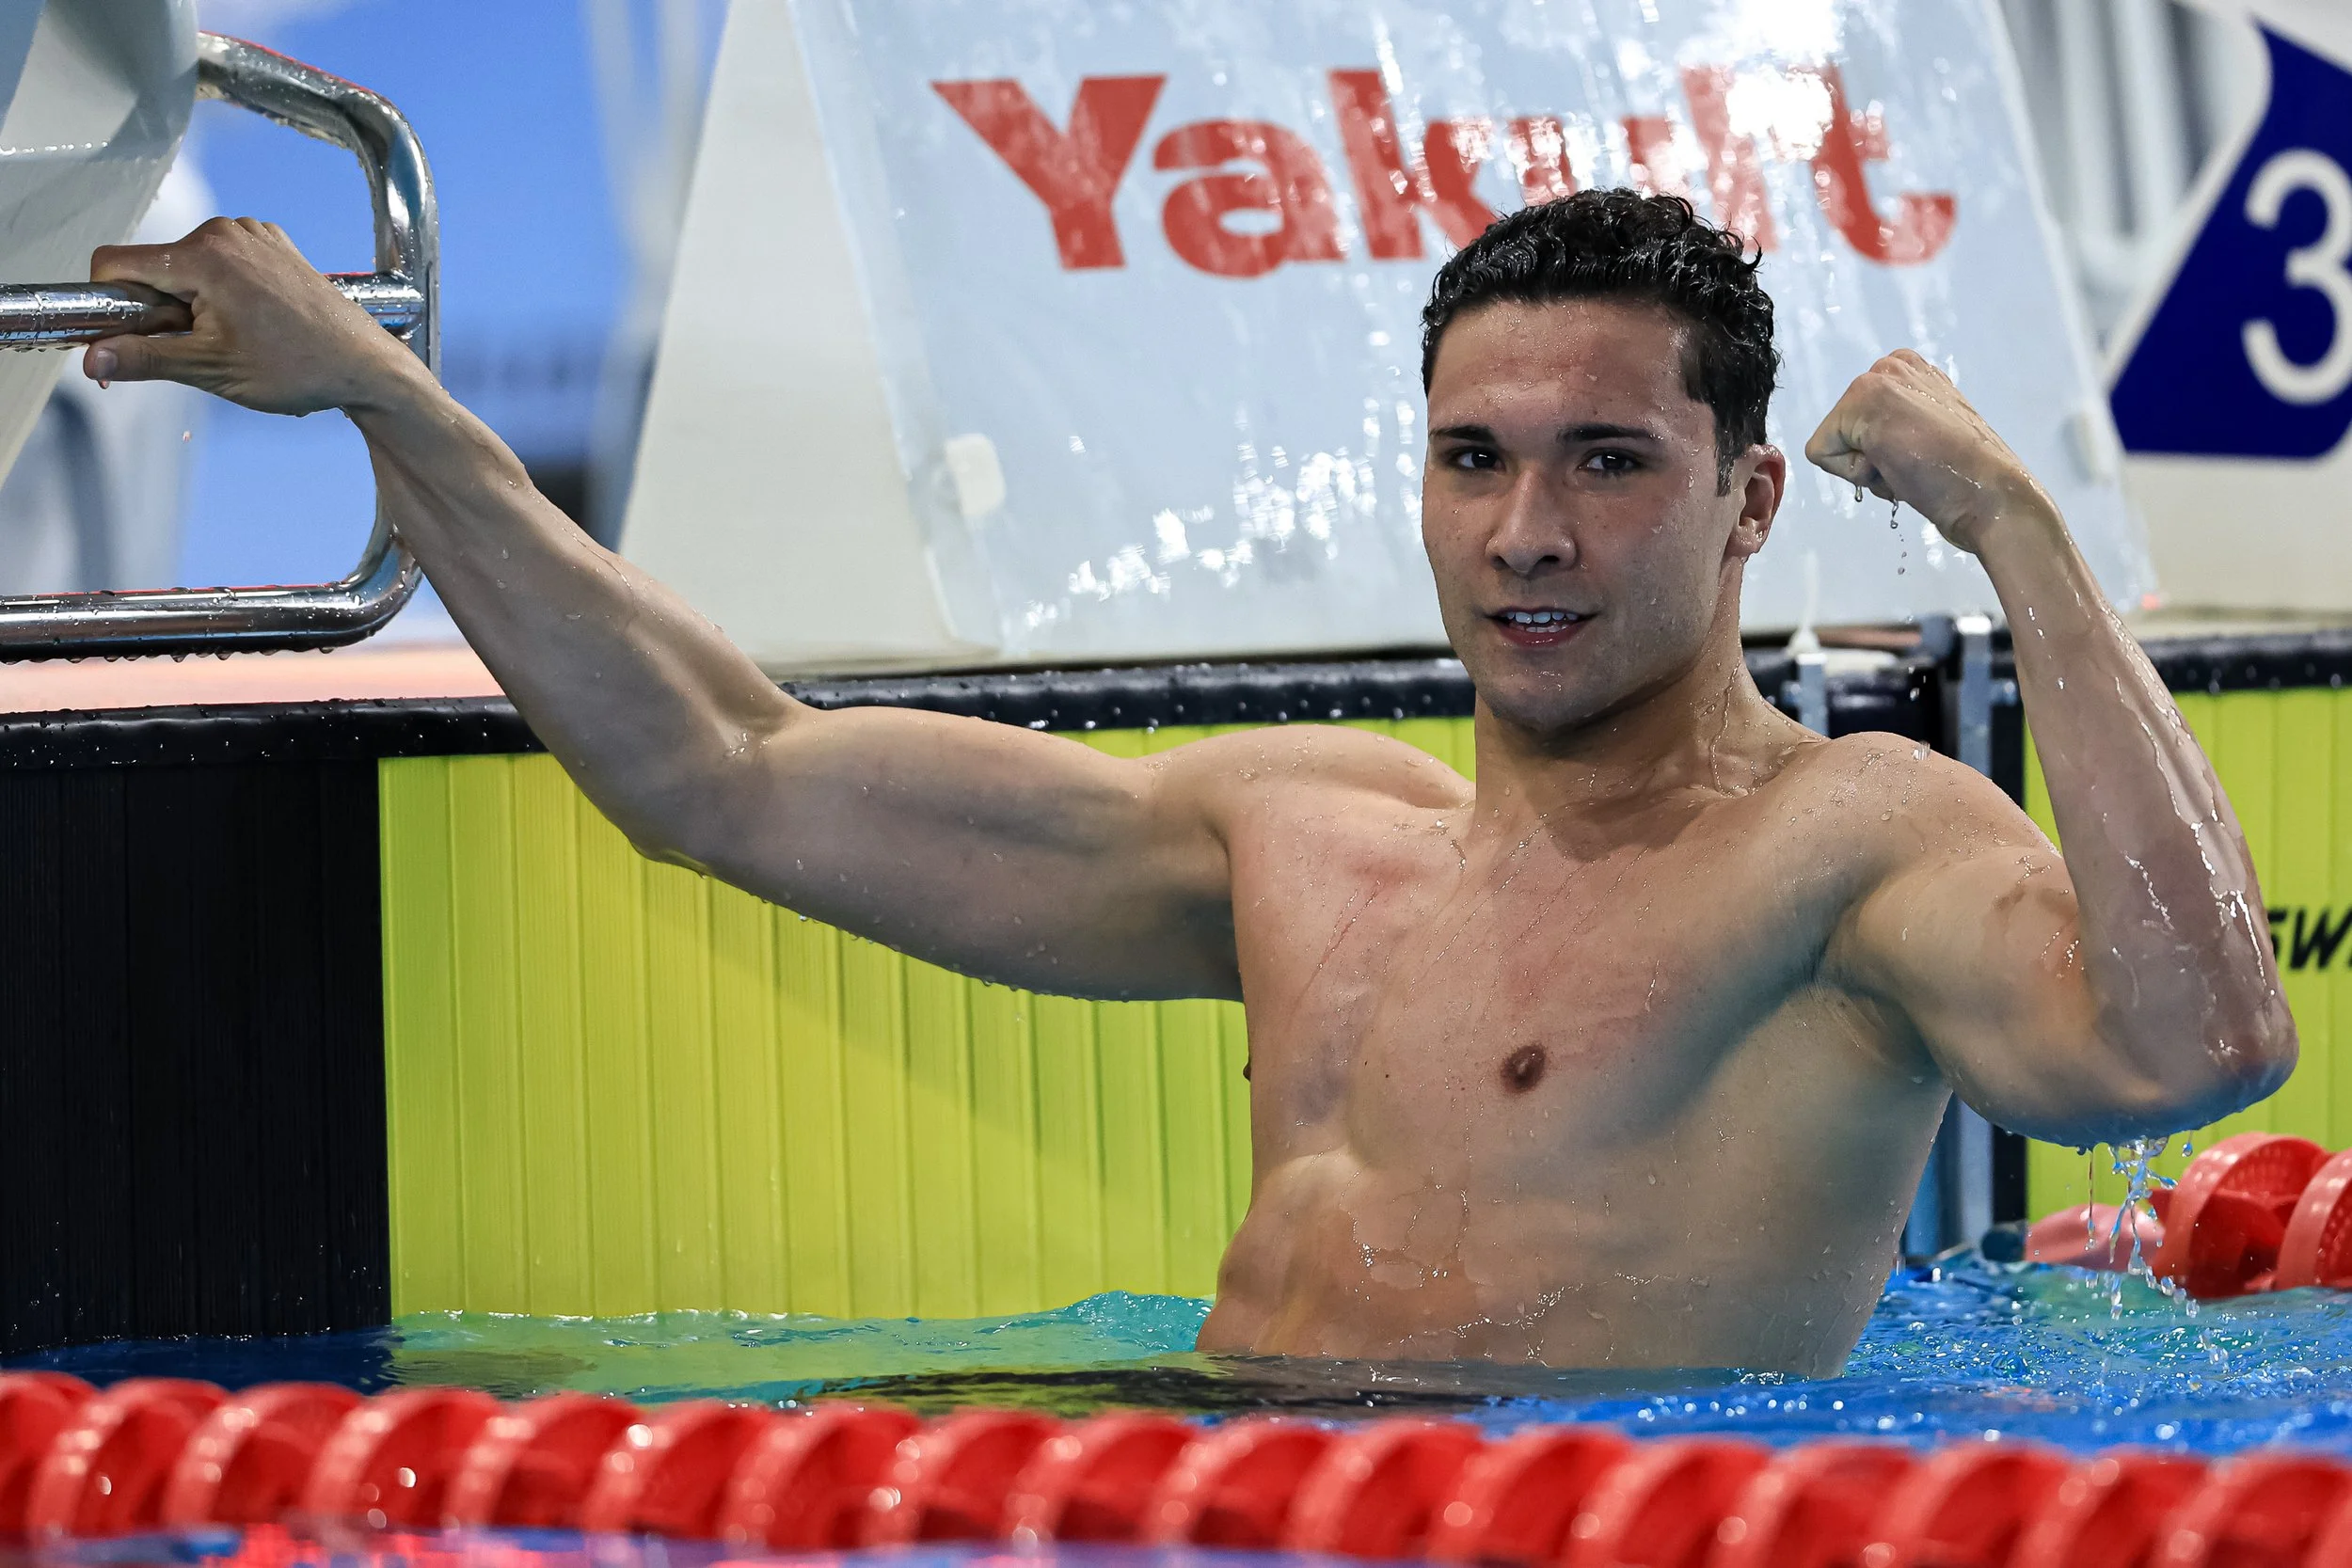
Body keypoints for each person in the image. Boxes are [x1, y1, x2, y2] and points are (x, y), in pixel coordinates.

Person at [78, 191, 2293, 1375]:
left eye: (1607, 463)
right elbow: (725, 770)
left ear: (1741, 511)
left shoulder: (1851, 846)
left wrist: (2014, 526)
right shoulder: (1302, 827)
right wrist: (377, 388)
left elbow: (2182, 1041)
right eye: (1473, 459)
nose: (1525, 531)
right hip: (1195, 1484)